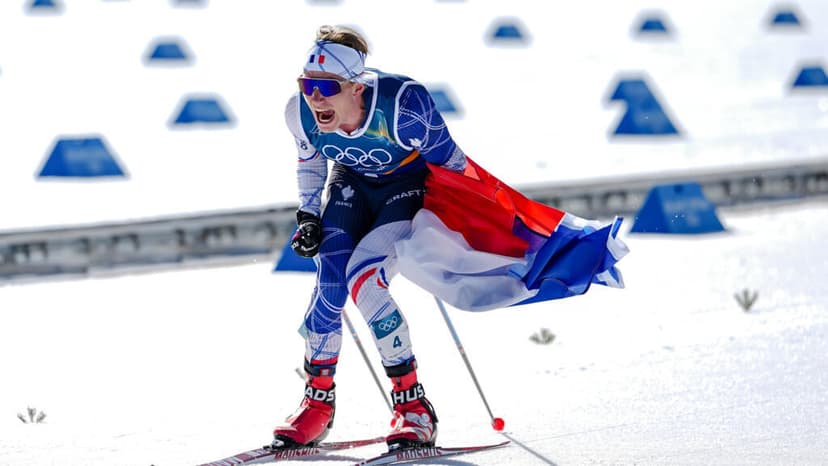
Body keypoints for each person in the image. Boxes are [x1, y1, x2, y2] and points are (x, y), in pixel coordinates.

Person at [271, 25, 467, 451]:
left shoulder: (403, 105)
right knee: (330, 283)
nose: (315, 97)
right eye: (307, 85)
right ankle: (316, 404)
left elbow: (453, 164)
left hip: (407, 189)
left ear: (356, 87)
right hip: (352, 187)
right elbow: (311, 162)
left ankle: (413, 406)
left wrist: (459, 220)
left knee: (365, 279)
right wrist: (308, 215)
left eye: (327, 87)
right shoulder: (299, 112)